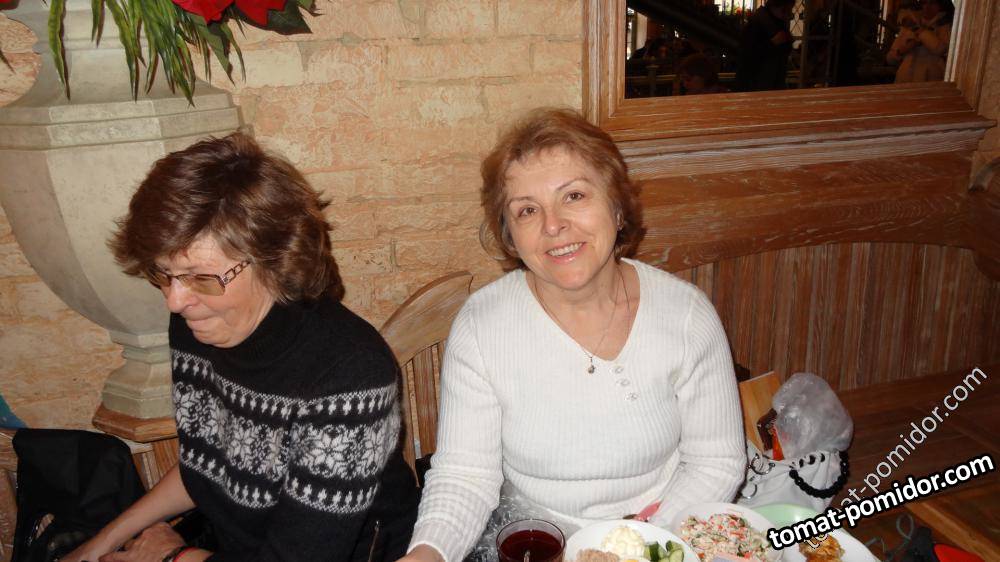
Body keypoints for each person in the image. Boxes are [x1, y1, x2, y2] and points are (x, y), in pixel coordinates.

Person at [399, 109, 745, 562]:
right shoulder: (483, 325)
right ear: (510, 237)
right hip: (534, 540)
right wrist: (426, 554)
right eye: (527, 210)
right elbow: (466, 475)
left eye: (574, 195)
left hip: (663, 531)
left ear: (617, 208)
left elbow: (715, 462)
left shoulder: (685, 315)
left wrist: (637, 544)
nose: (553, 225)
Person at [62, 133, 419, 562]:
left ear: (273, 260)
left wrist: (172, 556)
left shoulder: (349, 373)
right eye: (163, 274)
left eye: (201, 277)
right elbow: (204, 467)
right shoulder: (197, 325)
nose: (174, 300)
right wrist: (98, 543)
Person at [735, 0, 795, 92]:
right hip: (757, 82)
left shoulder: (774, 21)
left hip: (768, 81)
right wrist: (772, 43)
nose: (788, 15)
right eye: (786, 10)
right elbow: (748, 54)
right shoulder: (759, 22)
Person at [887, 0, 953, 83]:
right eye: (924, 3)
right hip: (905, 80)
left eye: (932, 3)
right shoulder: (909, 24)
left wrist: (918, 30)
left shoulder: (944, 27)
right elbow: (890, 59)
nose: (927, 7)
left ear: (939, 6)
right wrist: (902, 50)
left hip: (930, 82)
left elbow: (940, 49)